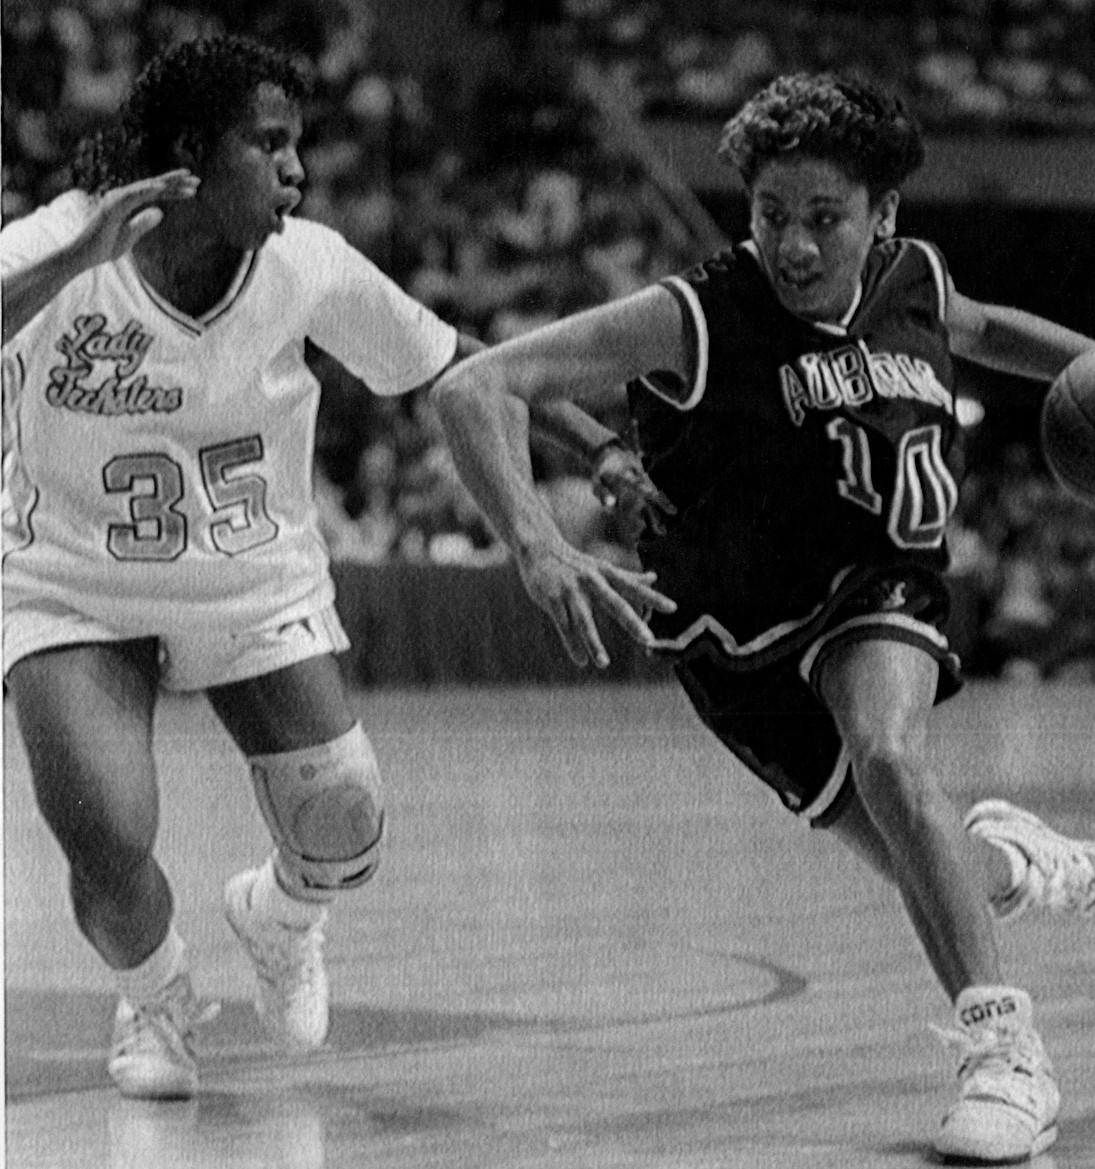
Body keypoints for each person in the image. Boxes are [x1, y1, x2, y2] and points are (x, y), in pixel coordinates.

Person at [431, 73, 1095, 1164]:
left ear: (882, 217)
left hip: (879, 585)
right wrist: (536, 542)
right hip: (730, 643)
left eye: (821, 218)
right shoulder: (695, 314)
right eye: (769, 215)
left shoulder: (914, 282)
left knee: (885, 750)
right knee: (933, 871)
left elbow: (981, 327)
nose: (789, 244)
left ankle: (1006, 1055)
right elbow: (476, 387)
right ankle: (1028, 866)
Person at [1, 34, 671, 1101]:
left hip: (253, 581)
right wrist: (71, 266)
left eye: (295, 146)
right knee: (106, 838)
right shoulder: (58, 245)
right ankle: (157, 996)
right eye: (268, 145)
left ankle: (280, 917)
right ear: (185, 158)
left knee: (344, 816)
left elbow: (461, 364)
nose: (296, 171)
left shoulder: (308, 262)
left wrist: (595, 447)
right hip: (72, 582)